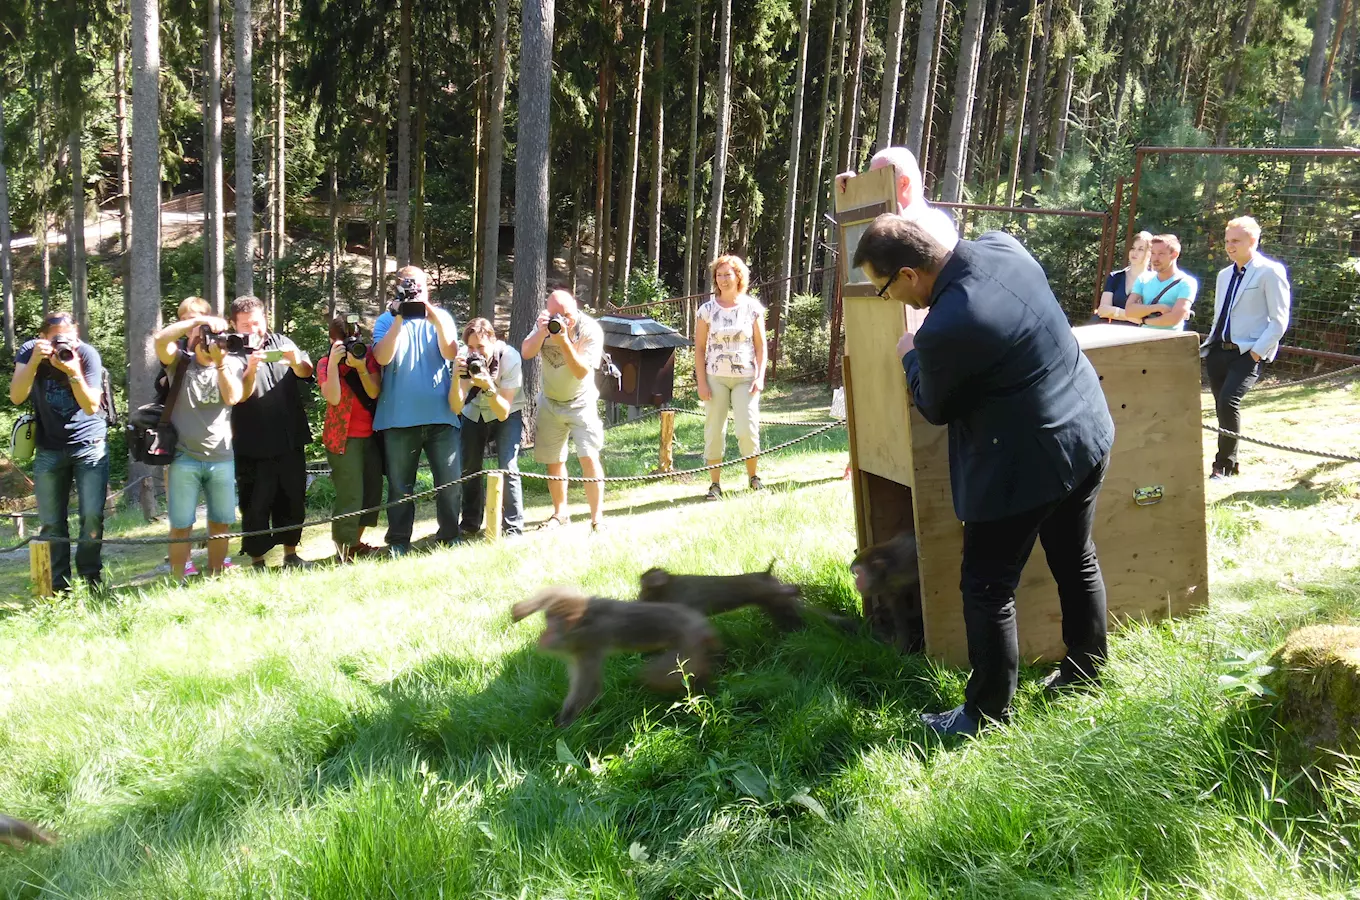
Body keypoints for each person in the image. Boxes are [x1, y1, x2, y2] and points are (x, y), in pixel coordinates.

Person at [852, 213, 1115, 737]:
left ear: (908, 275)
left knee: (987, 586)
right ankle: (1086, 672)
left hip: (1025, 464)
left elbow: (935, 403)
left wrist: (909, 356)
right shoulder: (1002, 246)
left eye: (884, 290)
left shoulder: (946, 328)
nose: (891, 301)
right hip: (1086, 432)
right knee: (1075, 557)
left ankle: (984, 714)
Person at [9, 311, 109, 593]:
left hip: (89, 445)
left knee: (92, 516)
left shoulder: (86, 354)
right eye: (56, 339)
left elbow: (91, 406)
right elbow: (16, 396)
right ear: (43, 338)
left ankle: (91, 579)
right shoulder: (30, 352)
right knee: (51, 523)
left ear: (76, 335)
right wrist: (34, 362)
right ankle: (59, 588)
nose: (63, 343)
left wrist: (73, 370)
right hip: (49, 448)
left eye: (69, 336)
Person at [372, 265, 463, 554]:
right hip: (399, 420)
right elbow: (383, 358)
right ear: (397, 288)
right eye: (408, 287)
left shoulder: (441, 318)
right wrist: (399, 317)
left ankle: (450, 535)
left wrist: (430, 312)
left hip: (441, 417)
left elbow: (451, 352)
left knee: (450, 483)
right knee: (400, 487)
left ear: (428, 289)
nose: (414, 292)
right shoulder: (385, 321)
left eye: (419, 288)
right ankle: (399, 541)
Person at [153, 308, 247, 581]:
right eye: (209, 337)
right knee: (182, 524)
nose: (215, 343)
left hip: (221, 456)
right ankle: (178, 578)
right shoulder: (180, 362)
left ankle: (216, 574)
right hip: (184, 456)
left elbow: (233, 398)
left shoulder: (230, 363)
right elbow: (160, 339)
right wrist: (195, 322)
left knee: (221, 521)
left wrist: (219, 364)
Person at [1202, 215, 1291, 480]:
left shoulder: (1269, 271)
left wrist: (1255, 353)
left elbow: (1279, 320)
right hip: (1218, 351)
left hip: (1246, 353)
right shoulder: (1223, 275)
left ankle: (1223, 467)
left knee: (1229, 403)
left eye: (1236, 241)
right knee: (1220, 407)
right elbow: (1222, 314)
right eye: (1227, 241)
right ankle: (1230, 462)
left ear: (1253, 240)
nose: (1230, 246)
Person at [230, 296, 314, 568]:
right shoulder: (231, 351)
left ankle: (291, 554)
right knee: (254, 503)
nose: (252, 329)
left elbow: (306, 372)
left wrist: (295, 361)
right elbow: (238, 395)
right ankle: (257, 561)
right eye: (245, 324)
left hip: (289, 436)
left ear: (265, 319)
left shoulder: (282, 342)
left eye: (256, 322)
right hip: (250, 441)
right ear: (234, 324)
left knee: (292, 498)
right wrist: (251, 366)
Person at [521, 288, 607, 531]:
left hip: (581, 402)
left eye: (565, 314)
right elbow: (526, 352)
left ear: (575, 308)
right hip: (550, 401)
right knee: (554, 461)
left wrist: (565, 342)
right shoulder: (545, 325)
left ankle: (597, 518)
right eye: (554, 314)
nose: (560, 320)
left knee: (589, 457)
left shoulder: (590, 329)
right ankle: (560, 514)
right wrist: (541, 332)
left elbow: (581, 371)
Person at [695, 255, 767, 499]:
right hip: (715, 378)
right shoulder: (706, 311)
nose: (723, 279)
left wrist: (760, 376)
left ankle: (753, 478)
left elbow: (761, 346)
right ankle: (714, 485)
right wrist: (701, 382)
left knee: (747, 428)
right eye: (719, 275)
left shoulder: (753, 308)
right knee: (714, 430)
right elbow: (700, 349)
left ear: (739, 276)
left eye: (728, 274)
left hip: (746, 378)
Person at [450, 317, 525, 537]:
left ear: (493, 340)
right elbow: (455, 407)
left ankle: (513, 528)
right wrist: (457, 378)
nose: (476, 353)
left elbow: (503, 412)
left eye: (481, 347)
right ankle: (470, 523)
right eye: (471, 347)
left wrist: (488, 386)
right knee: (469, 467)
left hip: (506, 412)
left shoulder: (509, 357)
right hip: (474, 413)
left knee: (508, 466)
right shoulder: (463, 359)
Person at [318, 314, 384, 562]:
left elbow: (374, 392)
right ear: (333, 339)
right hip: (343, 438)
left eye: (354, 337)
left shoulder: (366, 357)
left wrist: (361, 367)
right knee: (351, 494)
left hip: (371, 436)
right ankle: (343, 550)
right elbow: (333, 398)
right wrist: (335, 364)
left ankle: (355, 542)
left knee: (371, 492)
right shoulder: (325, 363)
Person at [835, 146, 959, 250]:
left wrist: (902, 232)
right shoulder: (882, 219)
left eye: (878, 180)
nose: (872, 189)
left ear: (903, 183)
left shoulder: (935, 224)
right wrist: (853, 191)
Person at [1119, 234, 1198, 331]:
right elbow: (1129, 311)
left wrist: (1144, 320)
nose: (1155, 259)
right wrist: (1157, 307)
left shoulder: (1186, 282)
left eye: (1161, 254)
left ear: (1174, 254)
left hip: (1170, 341)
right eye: (1153, 253)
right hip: (1141, 339)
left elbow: (1174, 319)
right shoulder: (1143, 278)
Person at [1095, 230, 1152, 325]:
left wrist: (1114, 312)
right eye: (1132, 248)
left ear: (1150, 253)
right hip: (1115, 333)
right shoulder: (1115, 277)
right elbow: (1102, 310)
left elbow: (1148, 316)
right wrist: (1129, 316)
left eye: (1140, 249)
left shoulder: (1154, 281)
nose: (1134, 252)